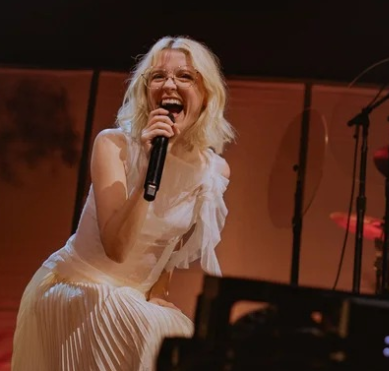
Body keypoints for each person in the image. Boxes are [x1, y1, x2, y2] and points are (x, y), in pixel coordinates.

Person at [11, 36, 236, 370]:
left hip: (134, 298)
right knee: (138, 323)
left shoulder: (213, 169)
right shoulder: (113, 145)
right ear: (146, 91)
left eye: (185, 77)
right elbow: (116, 247)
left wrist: (159, 294)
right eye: (158, 77)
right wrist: (147, 174)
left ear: (206, 96)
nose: (170, 84)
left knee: (181, 337)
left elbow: (169, 245)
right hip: (80, 288)